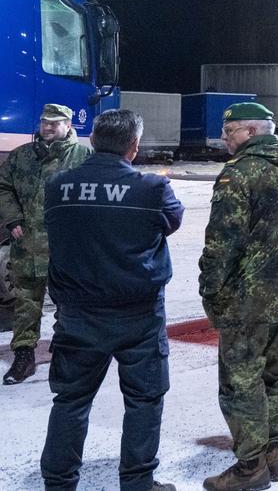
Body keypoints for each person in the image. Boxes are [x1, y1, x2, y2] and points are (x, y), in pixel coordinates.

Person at [40, 109, 183, 491]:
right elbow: (172, 221)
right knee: (144, 401)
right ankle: (137, 483)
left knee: (70, 402)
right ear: (133, 147)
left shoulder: (58, 185)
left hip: (76, 316)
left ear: (93, 141)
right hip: (137, 316)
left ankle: (58, 483)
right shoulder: (152, 189)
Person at [199, 102, 278, 491]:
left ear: (251, 133)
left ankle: (250, 467)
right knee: (275, 371)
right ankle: (274, 454)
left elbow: (221, 242)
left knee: (240, 380)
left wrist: (211, 288)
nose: (224, 138)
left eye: (230, 131)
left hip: (244, 299)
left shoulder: (238, 174)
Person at [0, 103, 92, 385]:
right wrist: (13, 218)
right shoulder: (22, 156)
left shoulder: (84, 156)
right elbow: (3, 187)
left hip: (67, 247)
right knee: (26, 303)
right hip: (27, 245)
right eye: (44, 122)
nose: (48, 127)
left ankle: (65, 350)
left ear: (68, 125)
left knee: (69, 303)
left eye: (55, 122)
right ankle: (24, 356)